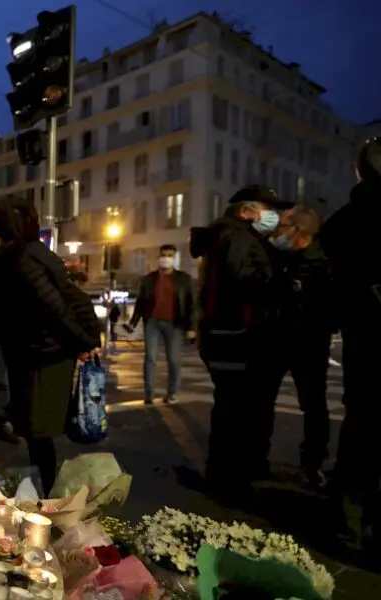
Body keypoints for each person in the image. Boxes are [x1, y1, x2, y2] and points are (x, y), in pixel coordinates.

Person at [0, 197, 101, 491]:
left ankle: (46, 495)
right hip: (39, 352)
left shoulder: (24, 260)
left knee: (39, 431)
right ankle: (43, 490)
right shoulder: (31, 254)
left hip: (43, 356)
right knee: (36, 431)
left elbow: (55, 307)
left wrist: (83, 342)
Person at [189, 184, 294, 501]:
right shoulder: (236, 236)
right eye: (268, 208)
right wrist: (284, 282)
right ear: (247, 210)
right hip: (236, 336)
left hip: (231, 335)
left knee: (237, 408)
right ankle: (227, 479)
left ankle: (236, 472)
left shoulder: (235, 235)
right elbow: (243, 279)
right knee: (235, 410)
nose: (274, 216)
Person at [319, 136, 381, 550]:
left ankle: (344, 507)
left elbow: (334, 291)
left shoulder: (341, 223)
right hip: (368, 335)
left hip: (364, 340)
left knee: (360, 425)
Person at [265, 204, 332, 489]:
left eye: (284, 226)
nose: (278, 232)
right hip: (277, 339)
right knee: (263, 400)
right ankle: (258, 457)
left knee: (314, 406)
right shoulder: (280, 256)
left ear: (298, 230)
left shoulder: (323, 263)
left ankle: (312, 463)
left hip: (309, 343)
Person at [128, 244, 195, 405]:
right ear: (159, 257)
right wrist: (133, 322)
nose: (166, 258)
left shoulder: (184, 279)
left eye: (170, 255)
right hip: (152, 321)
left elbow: (192, 304)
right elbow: (141, 302)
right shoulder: (149, 279)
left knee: (173, 359)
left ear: (175, 258)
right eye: (163, 255)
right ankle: (149, 394)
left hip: (174, 323)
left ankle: (171, 393)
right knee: (150, 358)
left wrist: (192, 327)